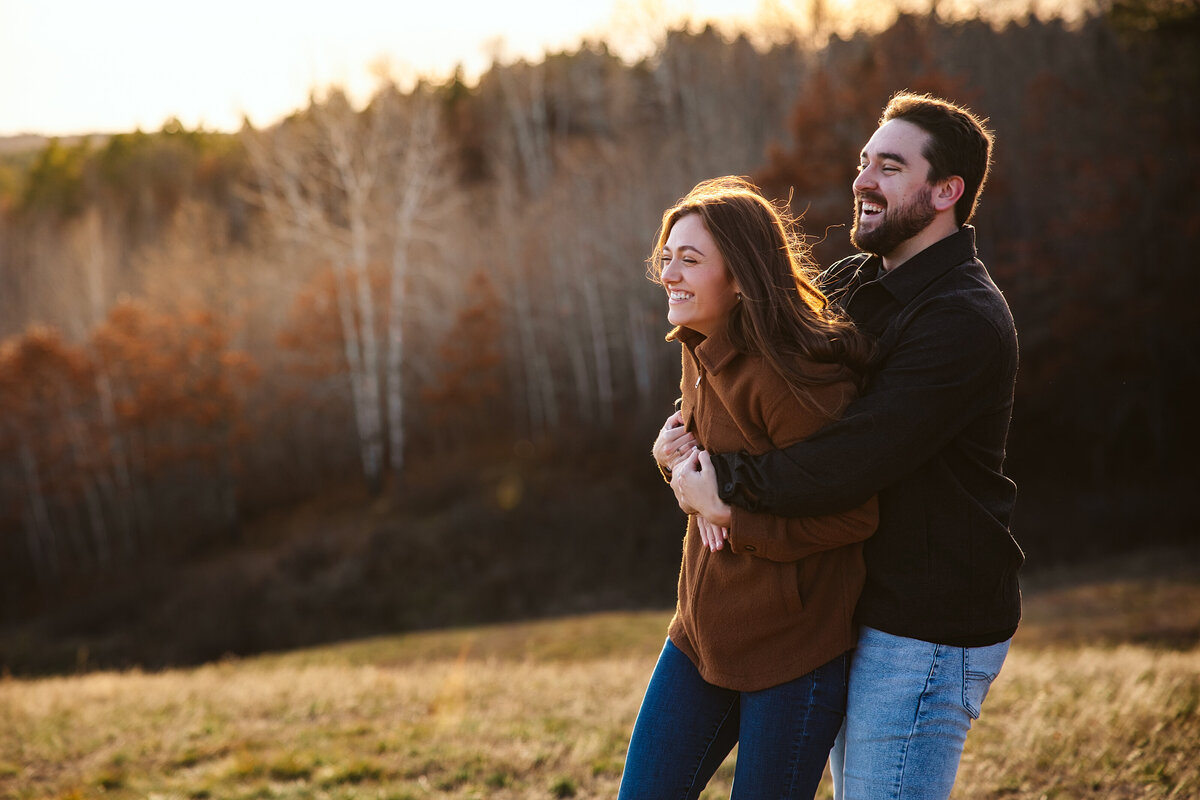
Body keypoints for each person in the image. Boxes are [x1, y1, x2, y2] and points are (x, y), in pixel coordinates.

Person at [671, 93, 1023, 799]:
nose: (862, 180)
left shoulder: (964, 320)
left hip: (926, 625)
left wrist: (721, 482)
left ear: (946, 191)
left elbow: (848, 460)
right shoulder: (860, 281)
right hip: (857, 604)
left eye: (889, 167)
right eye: (864, 161)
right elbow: (760, 362)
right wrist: (681, 439)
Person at [617, 176, 879, 800]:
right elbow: (708, 477)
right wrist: (671, 462)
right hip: (701, 638)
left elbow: (855, 518)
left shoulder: (795, 378)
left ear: (739, 278)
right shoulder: (697, 346)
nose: (670, 275)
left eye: (690, 260)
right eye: (667, 258)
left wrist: (734, 519)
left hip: (792, 658)